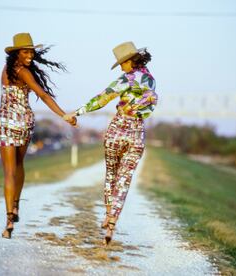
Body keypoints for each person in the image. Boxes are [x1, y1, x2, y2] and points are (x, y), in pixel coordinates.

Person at [64, 41, 158, 245]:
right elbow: (149, 107)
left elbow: (102, 99)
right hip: (136, 132)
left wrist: (77, 112)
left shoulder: (127, 78)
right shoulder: (151, 81)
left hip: (118, 128)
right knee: (125, 179)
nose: (122, 67)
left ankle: (107, 214)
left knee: (111, 174)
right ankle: (113, 220)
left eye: (122, 63)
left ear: (130, 61)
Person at [0, 33, 76, 239]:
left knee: (9, 171)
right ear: (16, 53)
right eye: (26, 51)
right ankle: (15, 207)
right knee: (19, 165)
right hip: (23, 120)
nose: (30, 55)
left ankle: (8, 221)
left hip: (6, 120)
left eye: (31, 51)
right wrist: (63, 115)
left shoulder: (5, 71)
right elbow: (42, 94)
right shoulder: (23, 72)